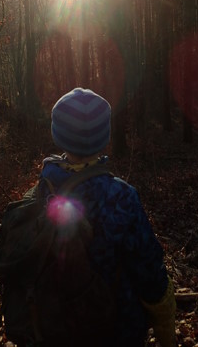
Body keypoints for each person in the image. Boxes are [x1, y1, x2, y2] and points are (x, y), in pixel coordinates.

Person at [39, 87, 176, 347]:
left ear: (58, 135)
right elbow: (148, 271)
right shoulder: (120, 196)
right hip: (116, 329)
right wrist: (165, 323)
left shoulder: (45, 187)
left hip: (56, 327)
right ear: (105, 137)